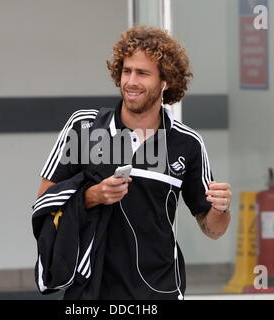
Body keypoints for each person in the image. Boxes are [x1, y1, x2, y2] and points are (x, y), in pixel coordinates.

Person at [36, 26, 232, 300]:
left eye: (142, 73)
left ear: (166, 82)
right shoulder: (84, 127)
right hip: (92, 290)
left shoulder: (187, 143)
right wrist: (92, 196)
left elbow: (213, 229)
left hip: (159, 290)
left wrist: (221, 208)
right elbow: (45, 201)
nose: (131, 81)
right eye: (126, 71)